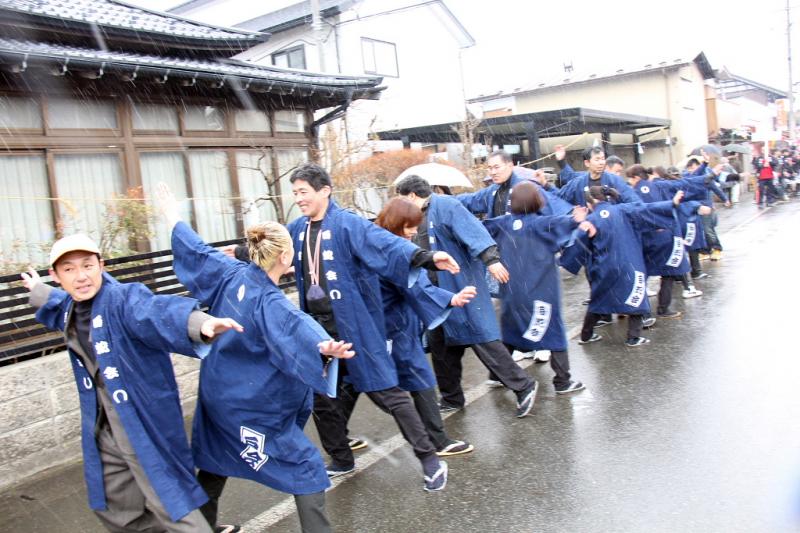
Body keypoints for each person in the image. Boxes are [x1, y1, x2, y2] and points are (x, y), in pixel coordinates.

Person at [154, 183, 357, 533]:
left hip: (218, 397)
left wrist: (172, 216)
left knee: (216, 461)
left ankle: (198, 527)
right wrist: (324, 348)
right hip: (253, 407)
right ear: (285, 257)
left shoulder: (229, 273)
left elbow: (196, 249)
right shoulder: (271, 302)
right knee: (307, 470)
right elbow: (298, 329)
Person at [21, 234, 243, 533]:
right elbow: (55, 301)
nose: (81, 276)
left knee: (171, 502)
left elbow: (155, 311)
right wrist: (36, 288)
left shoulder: (123, 299)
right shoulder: (69, 307)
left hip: (140, 417)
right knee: (115, 504)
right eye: (69, 269)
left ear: (101, 265)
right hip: (104, 423)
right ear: (56, 276)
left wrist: (200, 324)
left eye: (87, 265)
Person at [286, 163, 453, 491]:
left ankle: (430, 460)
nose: (299, 199)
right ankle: (341, 458)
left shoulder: (347, 224)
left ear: (324, 191)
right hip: (319, 333)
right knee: (323, 398)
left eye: (303, 192)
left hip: (356, 328)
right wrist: (242, 251)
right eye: (295, 194)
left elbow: (386, 244)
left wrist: (425, 257)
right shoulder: (298, 229)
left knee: (387, 393)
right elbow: (274, 248)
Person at [396, 175, 538, 418]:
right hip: (435, 293)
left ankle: (524, 385)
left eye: (401, 198)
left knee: (481, 339)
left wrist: (491, 260)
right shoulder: (415, 216)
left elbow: (474, 232)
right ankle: (451, 397)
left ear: (411, 195)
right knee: (441, 346)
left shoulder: (447, 206)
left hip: (460, 283)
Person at [368, 197, 477, 457]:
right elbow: (415, 286)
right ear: (397, 223)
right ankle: (437, 441)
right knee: (419, 378)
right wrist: (450, 298)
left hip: (379, 324)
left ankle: (339, 445)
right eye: (410, 226)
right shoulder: (393, 251)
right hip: (393, 326)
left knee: (353, 381)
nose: (415, 231)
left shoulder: (374, 240)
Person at [483, 181, 588, 394]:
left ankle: (496, 375)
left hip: (512, 291)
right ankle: (562, 381)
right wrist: (576, 219)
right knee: (554, 333)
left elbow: (481, 228)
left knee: (510, 333)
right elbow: (564, 223)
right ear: (536, 200)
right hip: (540, 291)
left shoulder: (502, 223)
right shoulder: (542, 224)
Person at [560, 186, 686, 347]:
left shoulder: (591, 220)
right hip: (629, 263)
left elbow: (577, 244)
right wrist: (671, 204)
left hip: (604, 266)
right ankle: (633, 337)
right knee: (637, 299)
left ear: (589, 202)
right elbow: (646, 209)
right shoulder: (624, 210)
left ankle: (585, 336)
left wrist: (567, 260)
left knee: (598, 301)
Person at [457, 149, 573, 218]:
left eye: (497, 167)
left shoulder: (526, 188)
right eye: (490, 168)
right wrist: (445, 200)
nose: (493, 172)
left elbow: (556, 208)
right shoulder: (492, 190)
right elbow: (471, 200)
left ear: (510, 165)